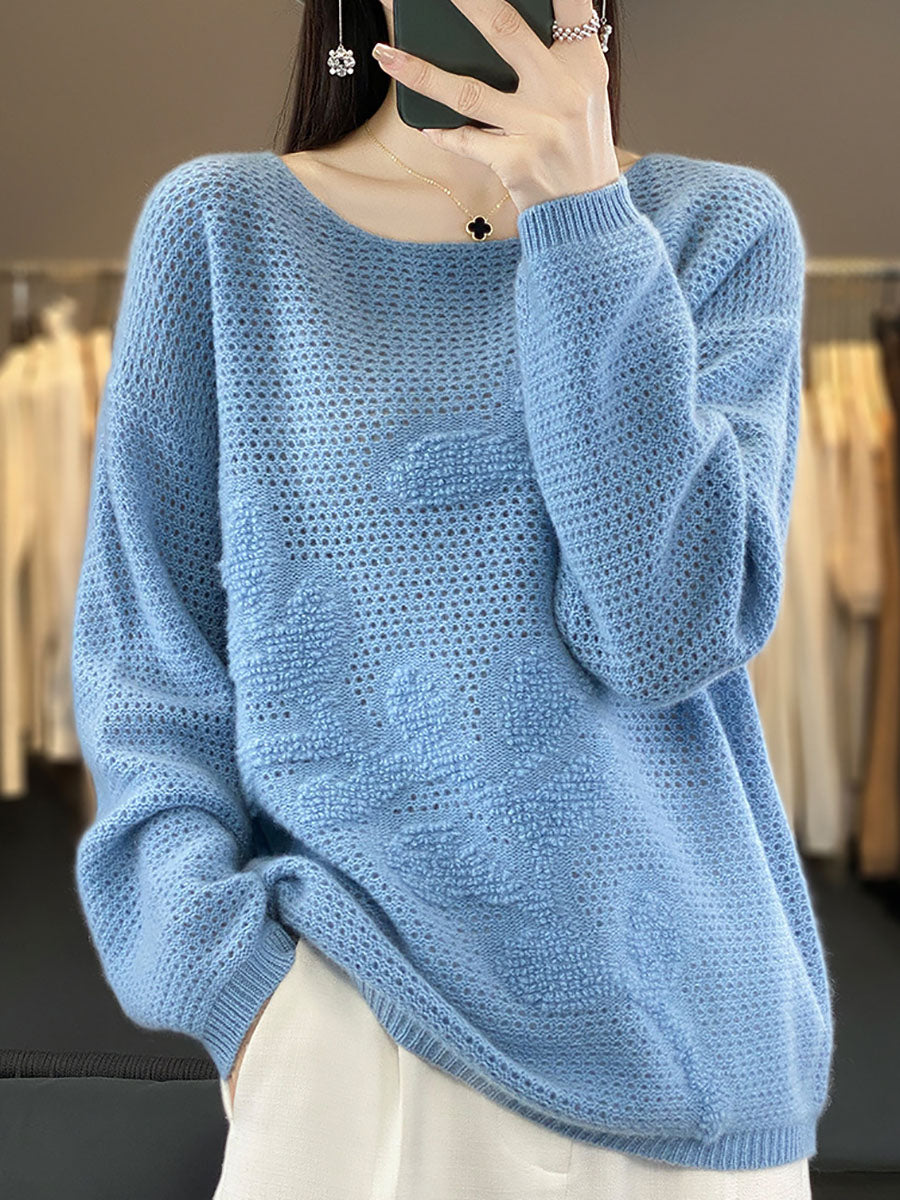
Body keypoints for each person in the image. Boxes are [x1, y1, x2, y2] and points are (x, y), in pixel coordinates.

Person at [70, 0, 834, 1196]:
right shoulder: (223, 230)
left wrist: (583, 217)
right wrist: (239, 991)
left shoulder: (716, 229)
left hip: (688, 1060)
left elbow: (665, 634)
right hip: (354, 1040)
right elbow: (147, 663)